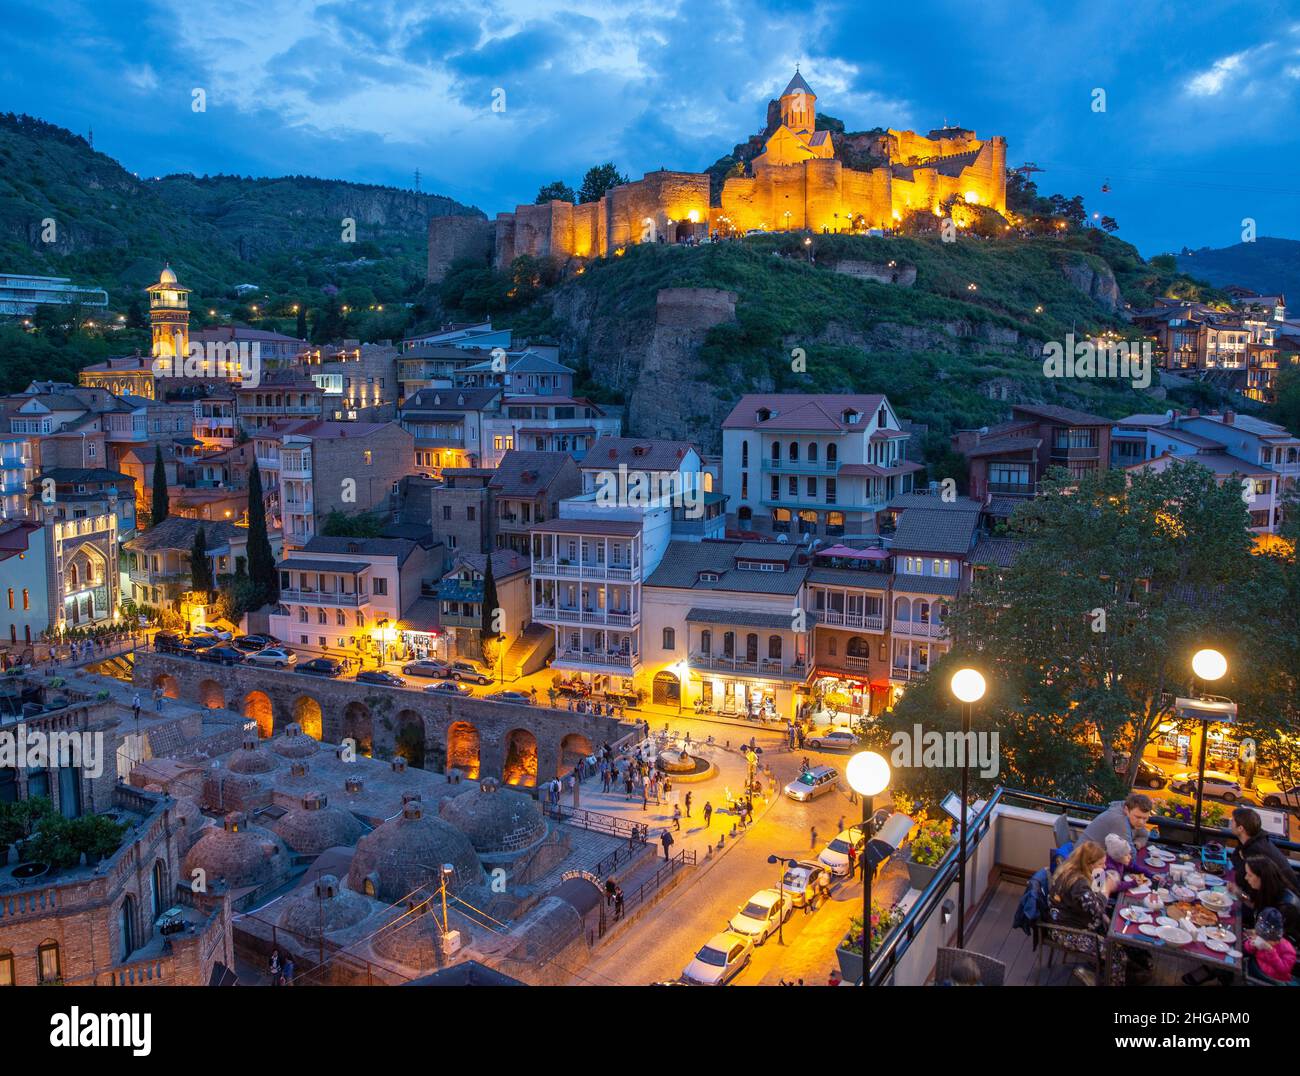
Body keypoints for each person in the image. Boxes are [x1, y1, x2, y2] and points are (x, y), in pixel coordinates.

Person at [1230, 807, 1296, 914]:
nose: (1230, 821)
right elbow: (1236, 858)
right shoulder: (1255, 841)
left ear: (1240, 828)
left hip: (1278, 910)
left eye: (1232, 820)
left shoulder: (1255, 850)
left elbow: (1242, 880)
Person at [1047, 840, 1115, 934]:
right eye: (1100, 864)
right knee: (1116, 943)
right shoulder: (1078, 883)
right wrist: (1106, 890)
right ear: (1089, 864)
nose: (1104, 867)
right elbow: (1096, 910)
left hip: (1074, 918)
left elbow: (1093, 895)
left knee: (1112, 917)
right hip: (1068, 931)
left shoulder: (1074, 870)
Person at [1078, 792, 1153, 861]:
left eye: (1145, 818)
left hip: (1100, 858)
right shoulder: (1118, 820)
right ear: (1127, 810)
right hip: (1084, 859)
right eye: (1137, 817)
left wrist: (1137, 844)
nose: (1141, 822)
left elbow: (1144, 836)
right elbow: (1130, 856)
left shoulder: (1131, 813)